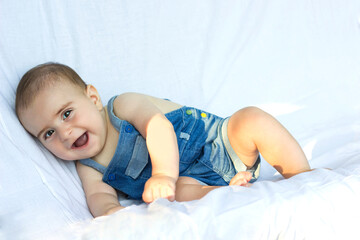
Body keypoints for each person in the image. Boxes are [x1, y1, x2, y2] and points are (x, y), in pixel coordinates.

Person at [15, 63, 311, 217]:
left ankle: (305, 178)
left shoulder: (121, 107)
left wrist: (162, 174)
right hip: (191, 181)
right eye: (48, 133)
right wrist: (112, 214)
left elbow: (158, 127)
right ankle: (232, 194)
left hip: (222, 143)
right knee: (180, 192)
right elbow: (98, 197)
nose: (64, 132)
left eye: (66, 114)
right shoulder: (88, 166)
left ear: (92, 98)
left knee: (251, 119)